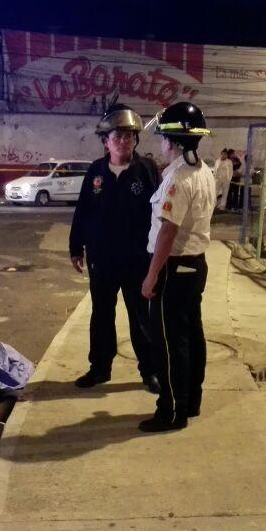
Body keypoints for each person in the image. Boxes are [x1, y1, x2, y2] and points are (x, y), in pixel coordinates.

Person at [69, 104, 161, 393]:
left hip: (137, 261)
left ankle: (150, 371)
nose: (123, 141)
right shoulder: (95, 172)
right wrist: (76, 247)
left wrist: (158, 256)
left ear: (135, 140)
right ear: (105, 141)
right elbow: (83, 211)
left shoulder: (146, 169)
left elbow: (160, 214)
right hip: (102, 260)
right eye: (117, 136)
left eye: (129, 136)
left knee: (141, 318)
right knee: (101, 316)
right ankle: (99, 368)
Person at [140, 101, 215, 432]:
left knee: (169, 341)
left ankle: (171, 410)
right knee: (191, 336)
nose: (160, 144)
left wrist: (152, 274)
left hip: (174, 268)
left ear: (172, 142)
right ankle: (191, 401)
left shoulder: (178, 179)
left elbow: (167, 231)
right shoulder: (204, 171)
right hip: (195, 266)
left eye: (162, 139)